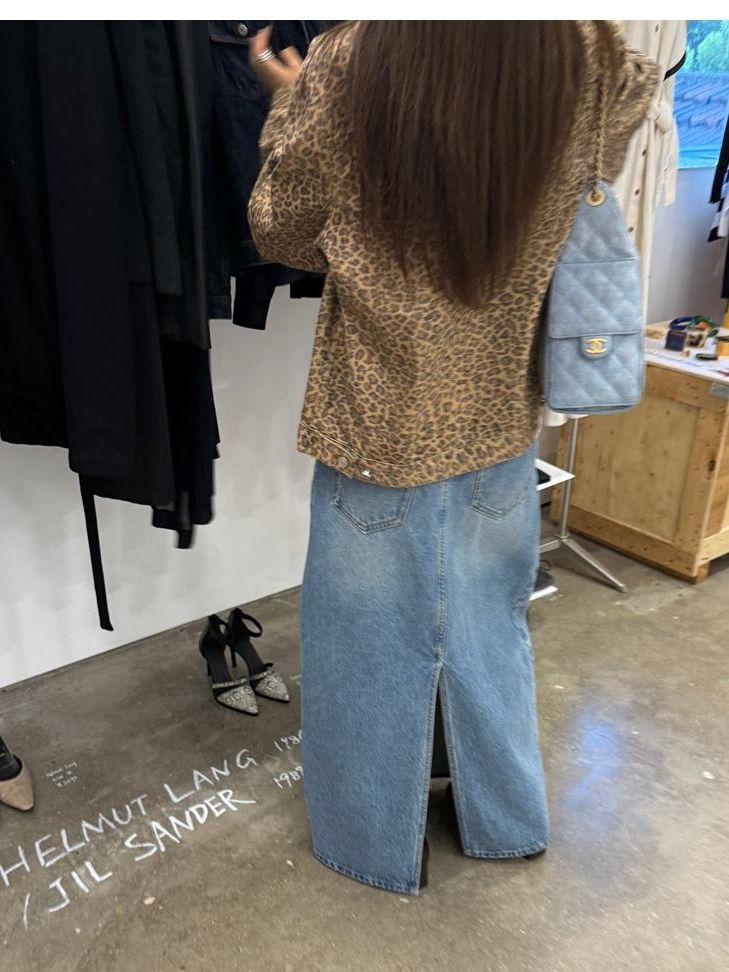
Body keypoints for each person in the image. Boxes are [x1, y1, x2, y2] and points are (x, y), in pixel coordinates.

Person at [249, 21, 656, 895]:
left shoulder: (352, 58)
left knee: (365, 649)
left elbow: (281, 231)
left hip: (378, 423)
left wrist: (289, 103)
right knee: (488, 632)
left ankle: (370, 844)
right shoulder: (592, 57)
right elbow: (587, 178)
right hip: (499, 417)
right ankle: (504, 822)